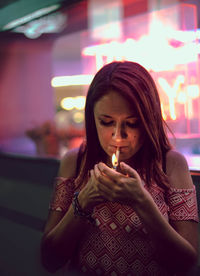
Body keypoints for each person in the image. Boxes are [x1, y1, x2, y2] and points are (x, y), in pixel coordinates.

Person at [41, 61, 199, 276]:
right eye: (106, 122)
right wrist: (84, 200)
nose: (118, 136)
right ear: (92, 120)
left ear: (149, 120)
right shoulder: (74, 163)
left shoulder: (170, 164)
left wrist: (141, 201)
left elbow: (187, 263)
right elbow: (50, 260)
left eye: (132, 123)